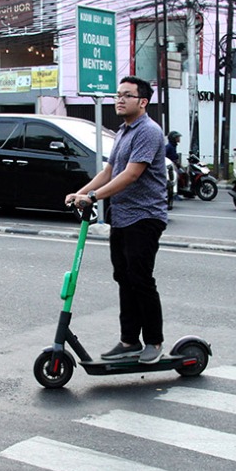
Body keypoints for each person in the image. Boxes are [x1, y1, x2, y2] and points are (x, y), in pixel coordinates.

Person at [66, 76, 169, 364]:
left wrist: (93, 197)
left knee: (141, 279)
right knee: (124, 278)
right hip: (123, 217)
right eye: (118, 95)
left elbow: (132, 174)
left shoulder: (148, 131)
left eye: (127, 95)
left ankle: (154, 341)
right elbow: (109, 171)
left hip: (145, 216)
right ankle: (129, 341)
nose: (119, 100)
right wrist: (81, 192)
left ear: (143, 102)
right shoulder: (124, 131)